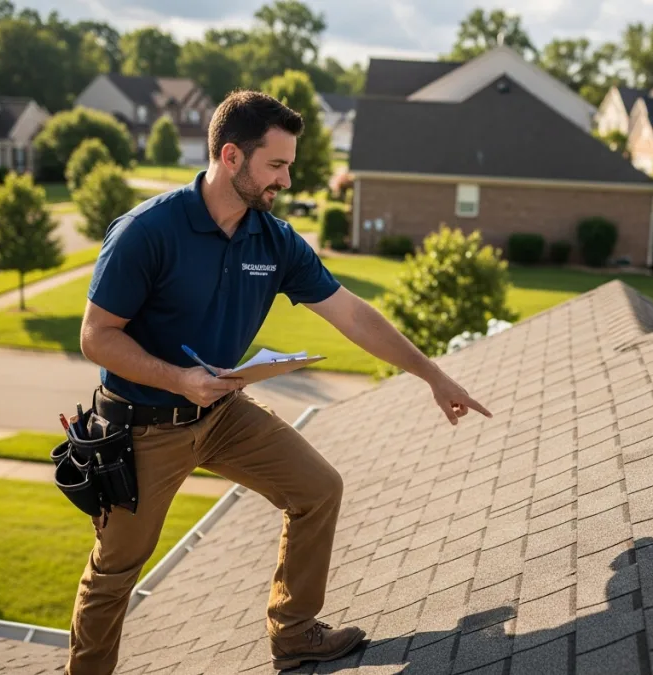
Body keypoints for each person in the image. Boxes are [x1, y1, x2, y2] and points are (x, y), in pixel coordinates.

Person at [66, 90, 491, 674]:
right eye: (277, 165)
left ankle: (293, 633)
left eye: (289, 165)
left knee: (318, 489)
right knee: (115, 570)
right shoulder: (147, 231)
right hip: (144, 426)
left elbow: (352, 315)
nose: (287, 180)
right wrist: (179, 378)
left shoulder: (274, 239)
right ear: (231, 156)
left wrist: (433, 375)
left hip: (222, 412)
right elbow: (97, 336)